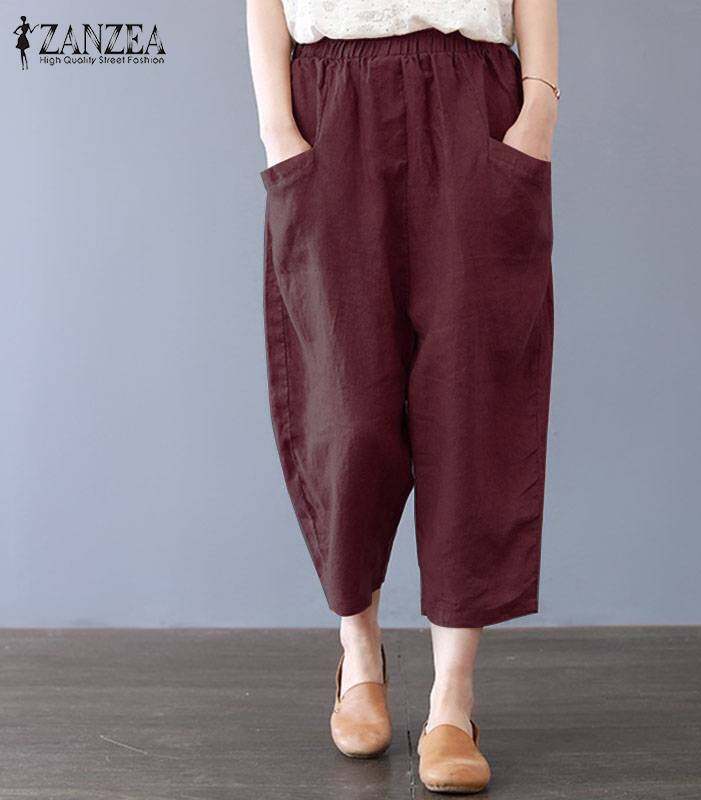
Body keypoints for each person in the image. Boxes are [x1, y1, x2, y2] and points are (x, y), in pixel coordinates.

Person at [247, 0, 558, 791]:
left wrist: (540, 103)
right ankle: (359, 655)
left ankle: (453, 700)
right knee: (346, 409)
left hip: (472, 95)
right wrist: (277, 126)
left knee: (471, 403)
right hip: (331, 99)